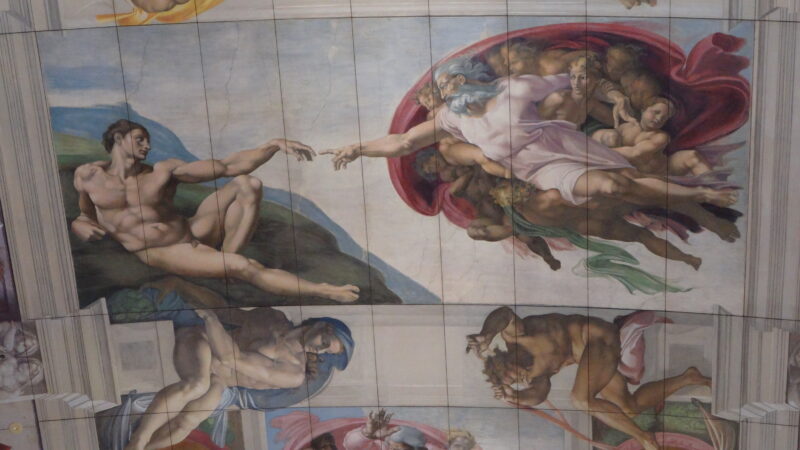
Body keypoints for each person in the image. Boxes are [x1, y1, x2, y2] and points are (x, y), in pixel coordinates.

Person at [323, 56, 735, 210]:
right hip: (536, 168)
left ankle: (697, 193)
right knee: (612, 187)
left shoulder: (515, 87)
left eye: (448, 83)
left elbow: (577, 81)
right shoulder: (451, 119)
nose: (445, 91)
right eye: (444, 87)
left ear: (466, 79)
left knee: (628, 177)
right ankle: (695, 195)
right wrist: (359, 148)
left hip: (560, 141)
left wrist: (616, 99)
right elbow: (403, 142)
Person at [72, 120, 359, 303]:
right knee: (245, 266)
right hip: (163, 250)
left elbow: (228, 166)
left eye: (147, 140)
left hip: (191, 231)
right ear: (118, 139)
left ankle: (227, 262)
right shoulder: (88, 175)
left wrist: (272, 146)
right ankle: (322, 289)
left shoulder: (162, 172)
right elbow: (85, 213)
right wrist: (80, 223)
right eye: (139, 139)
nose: (147, 146)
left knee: (247, 184)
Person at [467, 306, 711, 450]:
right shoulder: (535, 374)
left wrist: (486, 335)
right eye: (516, 381)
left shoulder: (517, 336)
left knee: (581, 399)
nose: (522, 377)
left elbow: (505, 314)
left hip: (596, 337)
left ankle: (645, 438)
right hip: (592, 360)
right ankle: (688, 378)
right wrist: (515, 396)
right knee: (629, 408)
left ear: (506, 358)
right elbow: (538, 394)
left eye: (515, 372)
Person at [124, 299, 353, 450]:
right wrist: (205, 309)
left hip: (220, 377)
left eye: (326, 352)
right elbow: (231, 313)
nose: (320, 350)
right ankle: (139, 439)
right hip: (201, 342)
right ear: (322, 326)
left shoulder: (293, 372)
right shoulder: (274, 317)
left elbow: (231, 359)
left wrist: (210, 317)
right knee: (197, 385)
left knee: (187, 422)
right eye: (325, 342)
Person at [594, 97, 715, 178]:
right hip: (636, 174)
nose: (658, 119)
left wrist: (600, 152)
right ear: (644, 109)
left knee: (693, 156)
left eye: (664, 118)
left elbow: (636, 153)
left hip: (663, 172)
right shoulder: (624, 127)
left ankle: (715, 187)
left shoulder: (661, 136)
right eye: (656, 112)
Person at [342, 409, 444, 450]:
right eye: (391, 447)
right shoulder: (380, 447)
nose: (392, 449)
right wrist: (368, 434)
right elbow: (352, 446)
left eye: (398, 449)